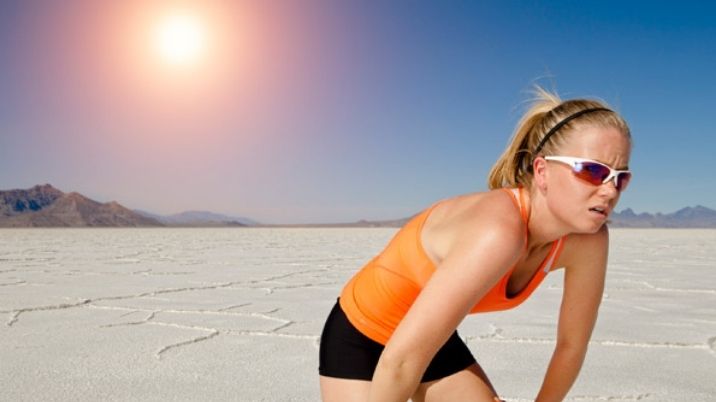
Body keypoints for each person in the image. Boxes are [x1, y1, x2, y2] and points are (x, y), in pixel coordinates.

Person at [318, 87, 632, 402]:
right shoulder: (499, 232)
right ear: (542, 171)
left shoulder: (589, 242)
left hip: (430, 341)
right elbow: (399, 362)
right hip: (361, 336)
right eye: (592, 171)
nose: (609, 191)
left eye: (620, 177)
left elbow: (571, 346)